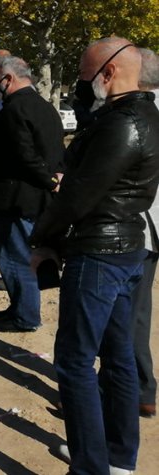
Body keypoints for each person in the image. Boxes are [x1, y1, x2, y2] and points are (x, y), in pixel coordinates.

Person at [29, 37, 159, 475]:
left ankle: (91, 465)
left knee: (75, 360)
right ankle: (117, 457)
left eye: (84, 77)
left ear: (108, 74)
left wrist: (41, 238)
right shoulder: (138, 114)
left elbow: (80, 197)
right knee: (119, 355)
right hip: (124, 249)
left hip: (101, 252)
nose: (80, 88)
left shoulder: (124, 122)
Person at [0, 56, 64, 332]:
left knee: (16, 259)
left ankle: (25, 317)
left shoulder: (16, 110)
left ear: (8, 79)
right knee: (17, 258)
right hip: (26, 199)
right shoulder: (44, 108)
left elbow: (25, 156)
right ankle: (18, 308)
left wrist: (49, 182)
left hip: (13, 201)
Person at [132, 46, 159, 419]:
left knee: (127, 314)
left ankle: (136, 389)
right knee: (136, 311)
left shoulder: (144, 114)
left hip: (139, 226)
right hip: (145, 226)